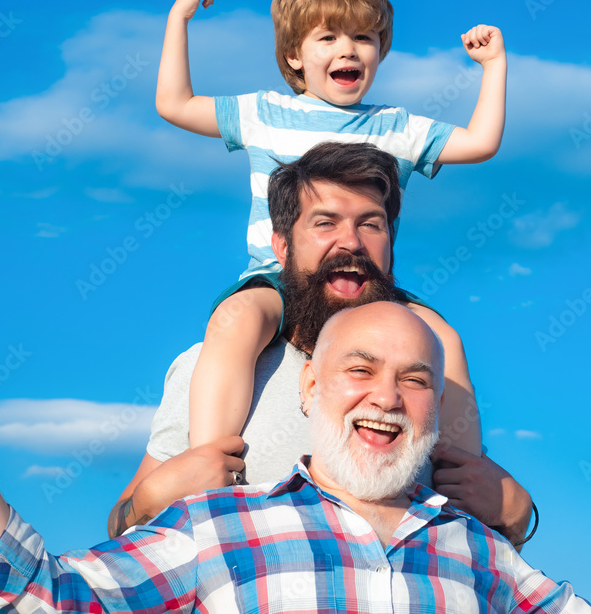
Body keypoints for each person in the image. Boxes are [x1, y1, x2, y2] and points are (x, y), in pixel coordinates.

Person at [0, 302, 591, 613]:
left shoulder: (478, 556)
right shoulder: (221, 529)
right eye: (361, 368)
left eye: (416, 379)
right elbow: (45, 599)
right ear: (312, 392)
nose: (387, 393)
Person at [155, 0, 507, 456]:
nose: (348, 49)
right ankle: (213, 460)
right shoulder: (263, 112)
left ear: (380, 51)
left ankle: (465, 472)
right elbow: (174, 103)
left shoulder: (395, 127)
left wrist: (494, 67)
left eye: (363, 37)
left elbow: (481, 142)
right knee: (234, 321)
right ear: (293, 56)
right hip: (278, 277)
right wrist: (179, 19)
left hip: (368, 282)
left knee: (442, 337)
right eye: (328, 38)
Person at [107, 142, 532, 547]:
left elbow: (475, 554)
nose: (351, 242)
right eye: (325, 223)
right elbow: (120, 528)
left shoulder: (422, 381)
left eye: (371, 224)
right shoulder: (209, 365)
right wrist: (146, 505)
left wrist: (515, 518)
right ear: (282, 245)